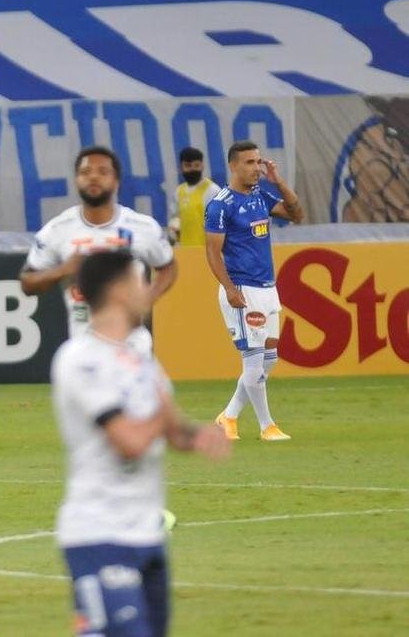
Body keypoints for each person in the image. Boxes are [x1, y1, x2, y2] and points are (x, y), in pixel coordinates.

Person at [52, 251, 231, 637]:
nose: (148, 292)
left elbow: (171, 431)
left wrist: (197, 435)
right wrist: (163, 415)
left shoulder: (142, 359)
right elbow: (130, 441)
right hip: (99, 533)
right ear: (117, 291)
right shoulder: (81, 360)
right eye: (139, 283)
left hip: (147, 533)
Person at [20, 145, 178, 355]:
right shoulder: (58, 230)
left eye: (103, 172)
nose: (93, 177)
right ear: (76, 179)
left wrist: (147, 299)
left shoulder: (142, 227)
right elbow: (27, 282)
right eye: (86, 172)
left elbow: (168, 266)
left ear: (116, 181)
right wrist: (62, 271)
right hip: (84, 347)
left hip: (133, 346)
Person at [207, 141, 304, 442]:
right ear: (234, 166)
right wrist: (229, 288)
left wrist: (279, 181)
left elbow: (296, 214)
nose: (257, 168)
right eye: (250, 162)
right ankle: (267, 426)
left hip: (267, 288)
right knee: (253, 359)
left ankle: (229, 416)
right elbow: (212, 252)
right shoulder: (221, 204)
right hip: (242, 289)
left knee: (270, 358)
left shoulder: (260, 196)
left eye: (259, 162)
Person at [167, 146, 221, 246]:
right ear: (181, 168)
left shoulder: (212, 190)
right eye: (188, 166)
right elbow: (174, 219)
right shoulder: (179, 191)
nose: (192, 169)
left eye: (196, 165)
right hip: (185, 250)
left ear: (202, 166)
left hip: (206, 251)